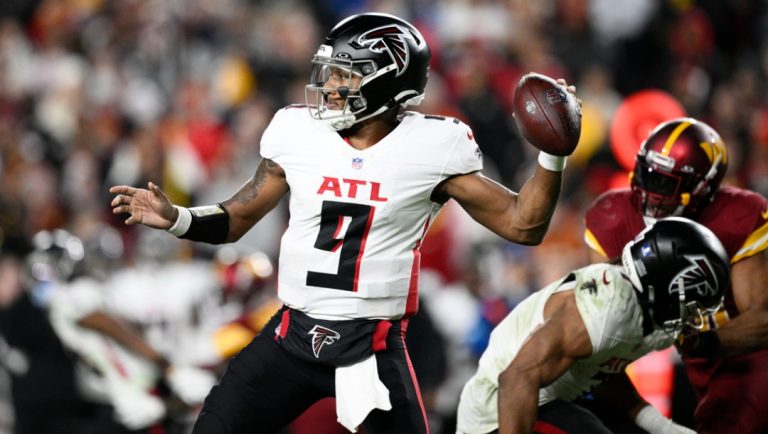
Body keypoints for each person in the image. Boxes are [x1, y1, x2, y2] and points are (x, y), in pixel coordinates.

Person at [109, 12, 579, 434]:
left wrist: (552, 155)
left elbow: (523, 226)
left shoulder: (433, 147)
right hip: (289, 339)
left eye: (344, 74)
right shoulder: (299, 132)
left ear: (387, 83)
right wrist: (177, 219)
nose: (329, 85)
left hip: (370, 349)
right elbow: (236, 219)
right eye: (328, 72)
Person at [456, 217, 730, 434]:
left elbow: (598, 367)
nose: (692, 315)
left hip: (548, 399)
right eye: (692, 301)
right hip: (501, 414)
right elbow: (516, 378)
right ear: (666, 286)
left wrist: (660, 427)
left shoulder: (642, 313)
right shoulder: (609, 306)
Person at [584, 117, 768, 434]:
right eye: (646, 175)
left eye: (665, 183)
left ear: (703, 187)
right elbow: (599, 310)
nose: (649, 192)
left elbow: (763, 319)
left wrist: (701, 341)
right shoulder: (613, 217)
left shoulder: (737, 216)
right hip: (673, 358)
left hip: (738, 357)